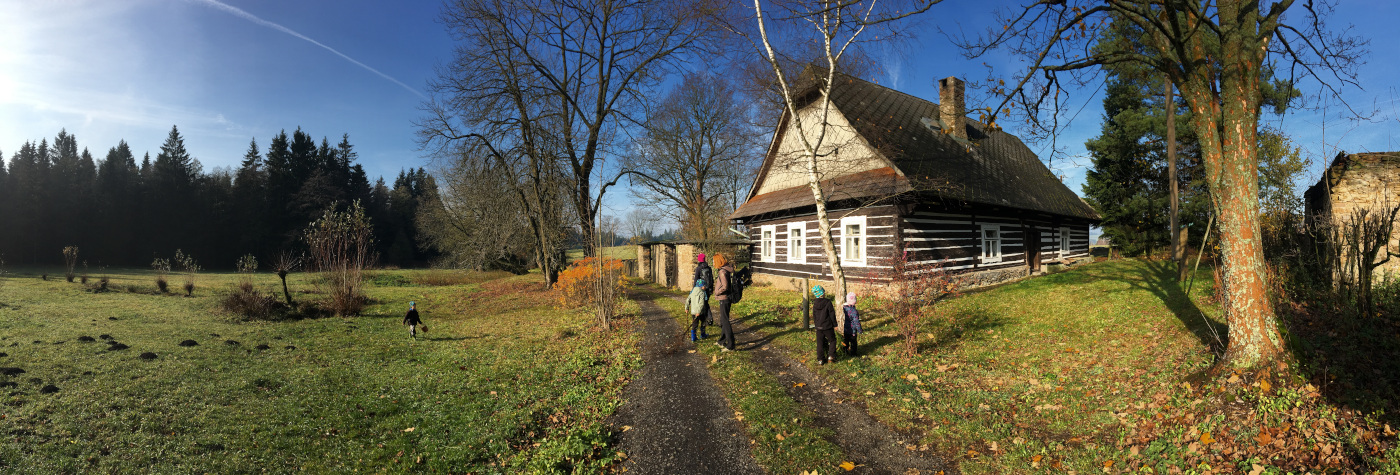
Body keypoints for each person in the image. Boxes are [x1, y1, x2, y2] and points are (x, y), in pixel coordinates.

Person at [712, 253, 737, 351]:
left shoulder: (722, 272)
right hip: (726, 298)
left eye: (714, 261)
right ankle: (722, 341)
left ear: (718, 261)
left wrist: (717, 291)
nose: (713, 263)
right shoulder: (727, 269)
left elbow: (725, 286)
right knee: (723, 320)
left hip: (724, 298)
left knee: (725, 321)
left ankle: (731, 345)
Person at [811, 285, 837, 365]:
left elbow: (814, 315)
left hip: (819, 327)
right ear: (823, 293)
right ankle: (831, 356)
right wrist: (835, 324)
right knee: (832, 340)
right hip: (827, 326)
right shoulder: (828, 302)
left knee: (820, 343)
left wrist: (816, 325)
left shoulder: (815, 303)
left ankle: (820, 359)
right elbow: (832, 314)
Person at [690, 253, 713, 341]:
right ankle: (709, 320)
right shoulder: (709, 268)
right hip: (707, 290)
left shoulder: (699, 268)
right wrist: (711, 288)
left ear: (699, 259)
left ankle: (695, 334)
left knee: (699, 304)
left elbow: (696, 280)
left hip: (700, 290)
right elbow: (711, 279)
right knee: (705, 304)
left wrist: (693, 291)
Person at [842, 292, 862, 356]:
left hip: (845, 329)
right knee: (853, 342)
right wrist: (859, 330)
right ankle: (853, 353)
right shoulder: (853, 311)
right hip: (852, 331)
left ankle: (845, 352)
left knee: (846, 341)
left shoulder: (843, 308)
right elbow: (856, 321)